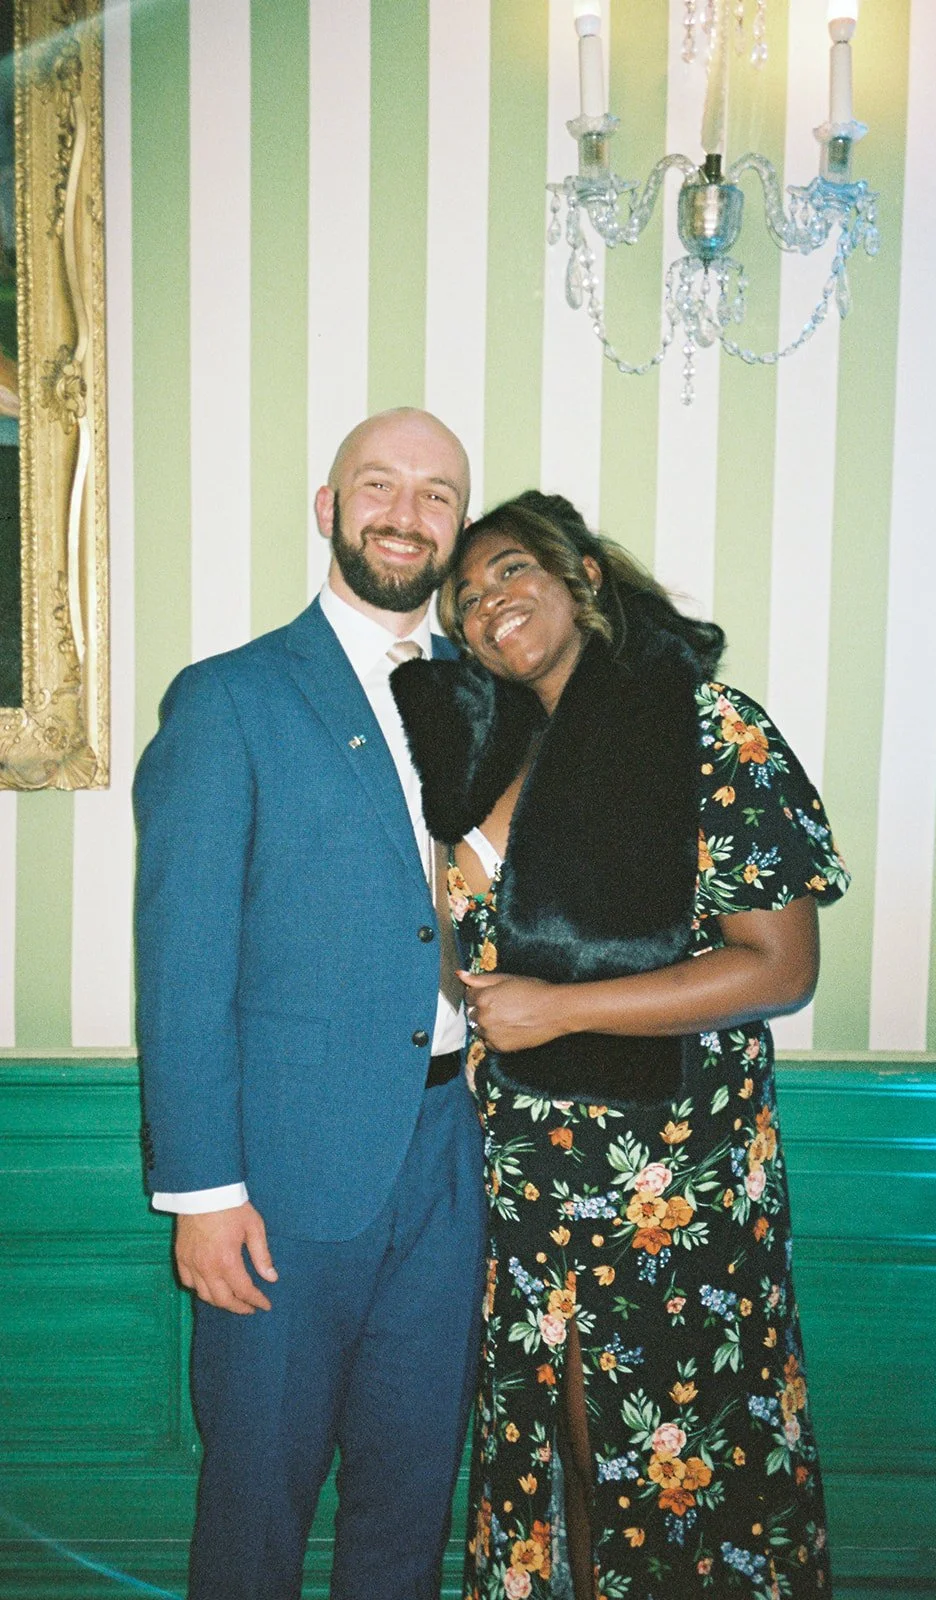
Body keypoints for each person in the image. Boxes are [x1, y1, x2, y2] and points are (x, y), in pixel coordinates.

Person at [391, 491, 849, 1600]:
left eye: (507, 571)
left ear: (583, 572)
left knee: (662, 1455)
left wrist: (562, 1008)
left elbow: (780, 968)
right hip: (527, 1171)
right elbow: (465, 958)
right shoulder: (493, 756)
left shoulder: (705, 727)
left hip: (673, 1177)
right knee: (558, 1448)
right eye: (465, 599)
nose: (486, 605)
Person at [133, 408, 486, 1600]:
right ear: (326, 509)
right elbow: (181, 964)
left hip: (455, 1160)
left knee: (410, 1495)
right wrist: (202, 1192)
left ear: (459, 522)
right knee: (256, 1501)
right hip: (280, 1178)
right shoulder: (228, 700)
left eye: (435, 493)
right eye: (377, 485)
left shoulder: (493, 699)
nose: (405, 512)